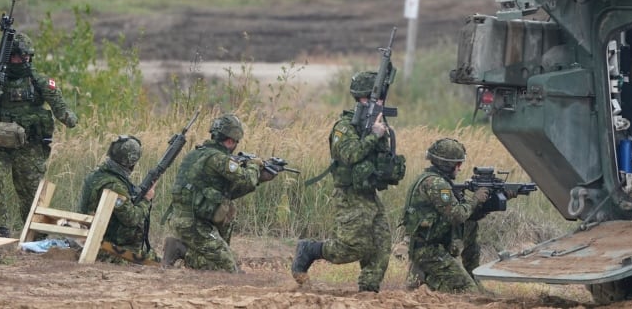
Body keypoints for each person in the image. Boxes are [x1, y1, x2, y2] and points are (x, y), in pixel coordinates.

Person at [292, 71, 406, 292]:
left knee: (381, 244)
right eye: (377, 98)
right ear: (364, 99)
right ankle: (310, 250)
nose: (382, 102)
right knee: (350, 248)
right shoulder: (344, 127)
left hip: (369, 195)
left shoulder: (378, 125)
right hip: (349, 195)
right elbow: (350, 155)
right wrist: (374, 135)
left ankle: (368, 290)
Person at [0, 32, 77, 239]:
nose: (25, 61)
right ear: (10, 57)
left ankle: (37, 238)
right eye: (21, 57)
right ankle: (1, 232)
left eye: (29, 57)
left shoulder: (39, 81)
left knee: (32, 194)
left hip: (28, 147)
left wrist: (69, 117)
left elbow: (62, 110)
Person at [163, 113, 276, 272]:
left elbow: (228, 192)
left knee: (234, 262)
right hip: (195, 224)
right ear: (230, 141)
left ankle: (189, 248)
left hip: (186, 220)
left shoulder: (196, 154)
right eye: (236, 142)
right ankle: (181, 250)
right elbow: (246, 180)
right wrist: (254, 166)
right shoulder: (219, 158)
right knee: (227, 268)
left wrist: (260, 178)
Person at [401, 138, 489, 293]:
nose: (460, 169)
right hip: (430, 251)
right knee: (469, 291)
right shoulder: (437, 184)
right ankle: (428, 278)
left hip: (426, 247)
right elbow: (457, 215)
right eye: (458, 164)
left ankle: (425, 277)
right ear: (448, 165)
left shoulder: (429, 179)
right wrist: (476, 199)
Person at [78, 135, 158, 263]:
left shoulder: (96, 175)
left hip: (90, 238)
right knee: (153, 261)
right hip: (106, 247)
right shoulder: (114, 185)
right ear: (131, 161)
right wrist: (146, 200)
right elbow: (131, 218)